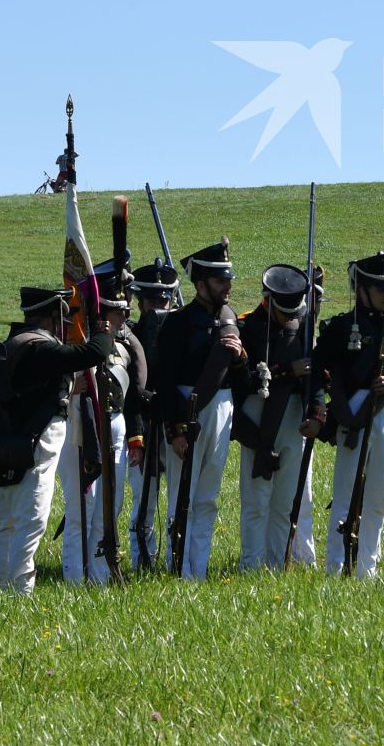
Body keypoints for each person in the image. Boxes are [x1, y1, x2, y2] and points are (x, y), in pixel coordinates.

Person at [0, 286, 115, 593]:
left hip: (9, 441)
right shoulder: (38, 347)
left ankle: (1, 586)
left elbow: (36, 391)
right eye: (61, 318)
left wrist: (67, 389)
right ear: (52, 318)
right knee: (32, 521)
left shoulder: (17, 343)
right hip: (34, 444)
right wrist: (102, 330)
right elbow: (92, 353)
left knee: (9, 523)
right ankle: (20, 592)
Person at [316, 248, 384, 578]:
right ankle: (334, 567)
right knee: (343, 496)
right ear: (362, 290)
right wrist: (319, 411)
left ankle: (366, 570)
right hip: (352, 414)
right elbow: (318, 370)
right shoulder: (341, 328)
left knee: (376, 501)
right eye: (382, 288)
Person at [154, 239, 244, 579]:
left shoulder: (230, 318)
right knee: (182, 496)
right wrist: (176, 427)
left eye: (228, 279)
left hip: (222, 407)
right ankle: (178, 568)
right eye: (221, 281)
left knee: (207, 495)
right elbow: (164, 381)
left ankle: (199, 568)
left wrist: (242, 359)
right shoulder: (178, 323)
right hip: (187, 409)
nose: (228, 286)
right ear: (201, 284)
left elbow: (241, 375)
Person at [56, 261, 147, 584]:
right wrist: (69, 387)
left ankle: (98, 575)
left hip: (115, 423)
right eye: (117, 311)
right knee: (83, 506)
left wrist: (136, 437)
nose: (124, 316)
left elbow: (134, 393)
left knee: (111, 507)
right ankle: (74, 576)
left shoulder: (124, 344)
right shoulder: (71, 340)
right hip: (80, 427)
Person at [234, 263, 327, 571]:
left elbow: (314, 376)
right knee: (256, 499)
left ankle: (277, 563)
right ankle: (252, 564)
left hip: (292, 416)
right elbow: (242, 379)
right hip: (258, 416)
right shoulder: (246, 327)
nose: (290, 317)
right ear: (268, 300)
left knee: (285, 502)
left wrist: (316, 411)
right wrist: (286, 371)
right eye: (284, 311)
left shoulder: (303, 325)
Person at [125, 259, 176, 566]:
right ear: (141, 302)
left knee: (178, 503)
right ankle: (140, 560)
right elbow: (131, 393)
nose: (162, 304)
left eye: (166, 298)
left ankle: (175, 559)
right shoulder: (131, 337)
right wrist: (137, 438)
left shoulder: (179, 332)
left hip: (174, 424)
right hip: (142, 426)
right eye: (155, 299)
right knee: (143, 504)